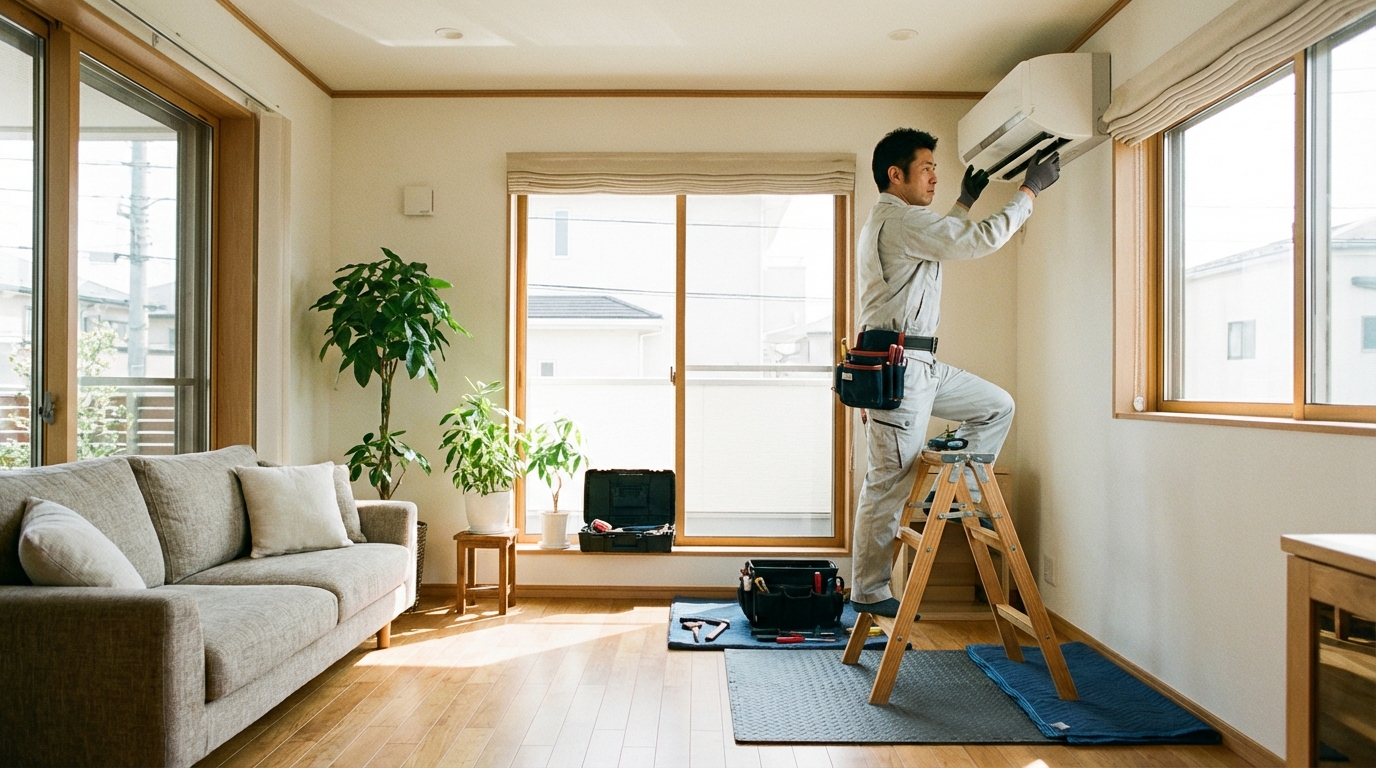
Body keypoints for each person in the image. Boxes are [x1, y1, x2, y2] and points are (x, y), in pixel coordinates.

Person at [848, 127, 1060, 618]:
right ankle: (869, 590)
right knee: (886, 483)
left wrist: (964, 201)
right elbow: (978, 240)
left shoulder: (903, 223)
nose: (934, 178)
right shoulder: (900, 221)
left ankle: (949, 477)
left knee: (997, 405)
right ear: (895, 175)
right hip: (899, 371)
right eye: (926, 169)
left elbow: (943, 241)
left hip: (919, 366)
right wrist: (1029, 192)